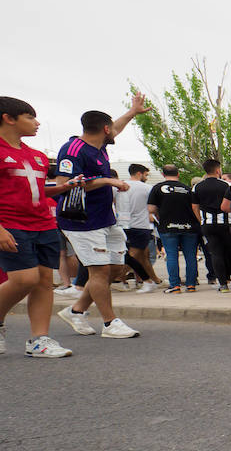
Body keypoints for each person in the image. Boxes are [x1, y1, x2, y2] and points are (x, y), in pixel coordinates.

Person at [53, 98, 150, 340]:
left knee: (116, 269)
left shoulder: (100, 146)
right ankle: (110, 323)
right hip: (81, 220)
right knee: (99, 271)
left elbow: (116, 126)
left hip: (105, 218)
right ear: (104, 130)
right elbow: (63, 185)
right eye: (112, 129)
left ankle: (76, 310)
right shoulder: (73, 150)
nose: (116, 131)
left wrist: (133, 112)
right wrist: (108, 181)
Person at [0, 96, 75, 357]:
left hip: (44, 224)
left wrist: (63, 188)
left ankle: (39, 340)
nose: (37, 123)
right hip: (10, 224)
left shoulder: (38, 157)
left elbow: (33, 189)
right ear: (8, 118)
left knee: (44, 282)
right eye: (30, 117)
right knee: (24, 279)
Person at [148, 165, 200, 293]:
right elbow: (195, 207)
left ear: (163, 174)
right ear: (178, 174)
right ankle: (191, 285)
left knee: (171, 255)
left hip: (168, 227)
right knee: (191, 256)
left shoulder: (157, 188)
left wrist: (160, 215)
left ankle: (175, 285)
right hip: (189, 227)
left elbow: (151, 209)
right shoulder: (187, 189)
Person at [192, 159, 231, 292]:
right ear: (218, 170)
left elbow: (194, 207)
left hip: (208, 224)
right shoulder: (227, 185)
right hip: (226, 223)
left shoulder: (197, 187)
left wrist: (201, 220)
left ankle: (223, 284)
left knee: (216, 254)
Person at [115, 163, 159, 292]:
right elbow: (153, 207)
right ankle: (118, 278)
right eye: (145, 174)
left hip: (123, 225)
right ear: (139, 173)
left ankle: (154, 279)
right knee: (133, 256)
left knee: (143, 255)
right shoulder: (147, 188)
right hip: (141, 225)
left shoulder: (119, 187)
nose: (146, 177)